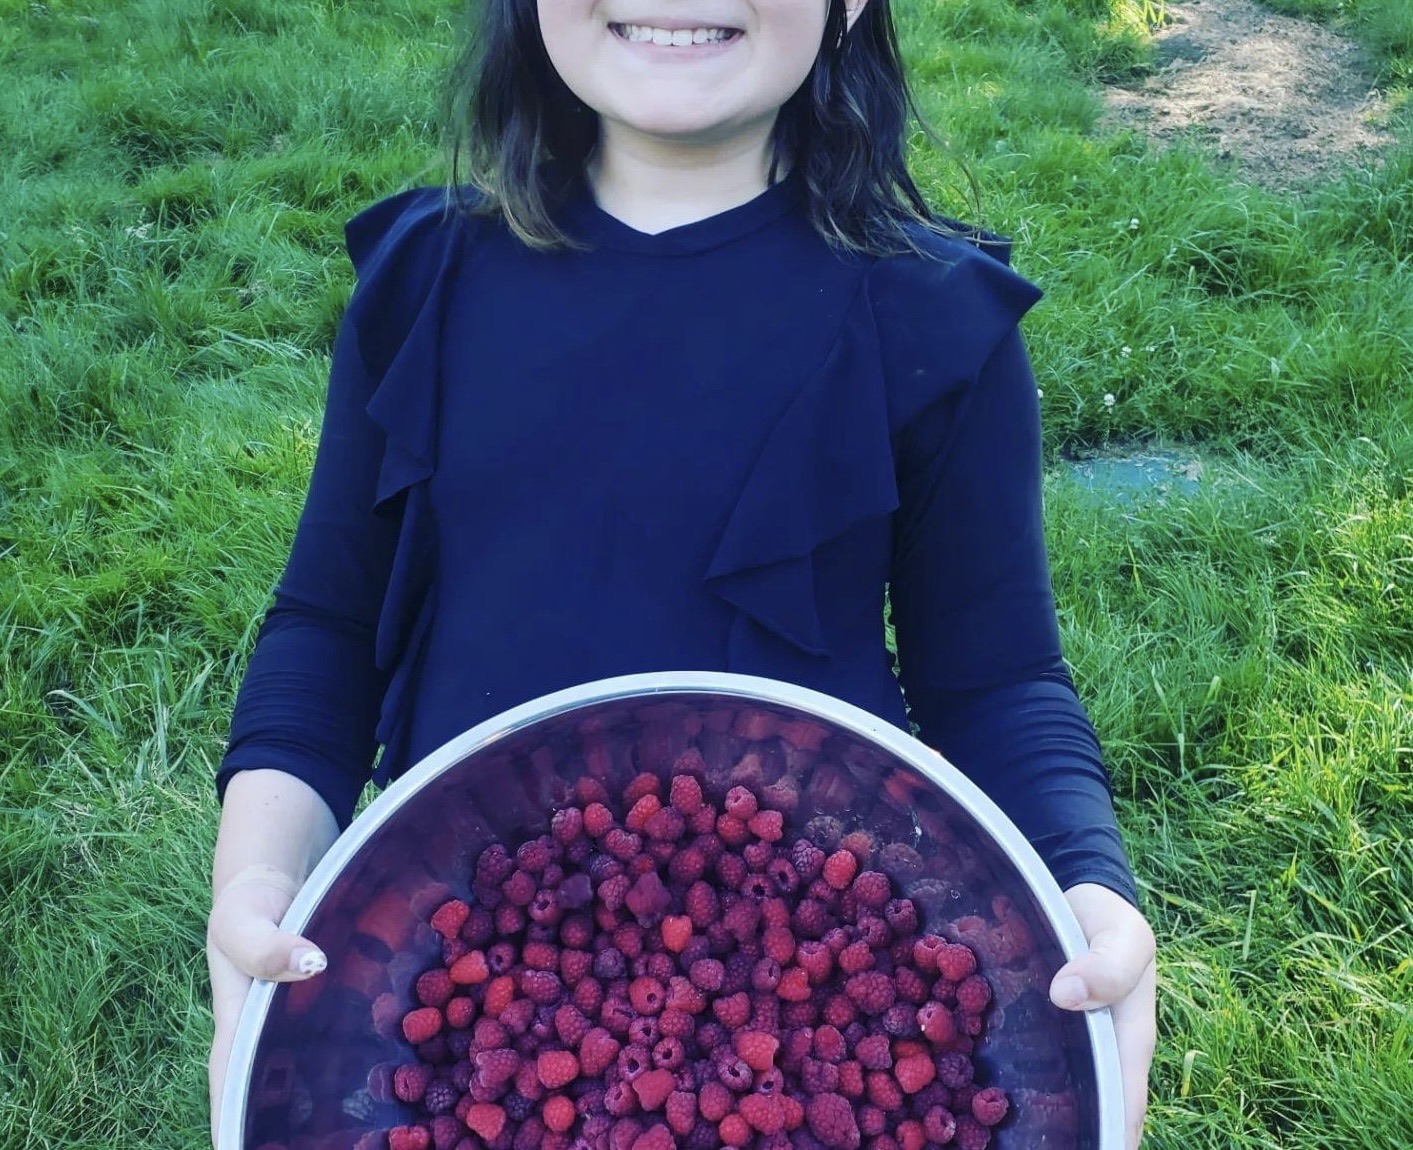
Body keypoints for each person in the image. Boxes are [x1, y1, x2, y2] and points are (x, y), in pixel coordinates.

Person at [206, 0, 1157, 1145]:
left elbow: (996, 682)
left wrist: (1089, 890)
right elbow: (325, 625)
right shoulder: (426, 284)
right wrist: (258, 879)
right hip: (471, 984)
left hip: (810, 1003)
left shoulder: (931, 318)